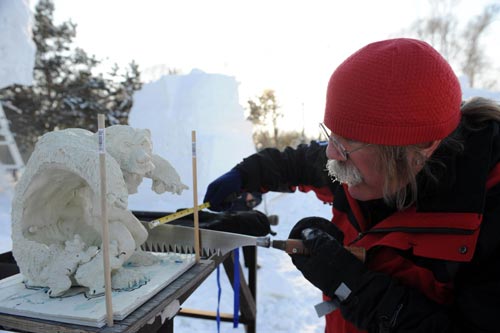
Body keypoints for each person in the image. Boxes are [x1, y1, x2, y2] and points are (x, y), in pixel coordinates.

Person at [203, 38, 500, 332]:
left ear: (418, 150)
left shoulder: (489, 214)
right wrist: (244, 175)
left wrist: (354, 287)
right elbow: (297, 162)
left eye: (349, 141)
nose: (332, 152)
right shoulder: (359, 163)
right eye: (332, 134)